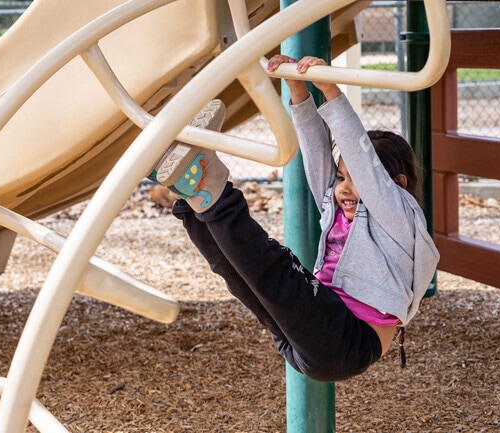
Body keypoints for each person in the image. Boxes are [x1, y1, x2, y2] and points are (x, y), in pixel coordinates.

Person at [148, 55, 439, 382]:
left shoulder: (398, 214)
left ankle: (208, 179)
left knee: (274, 269)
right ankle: (190, 190)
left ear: (397, 183)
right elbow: (317, 156)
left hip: (349, 340)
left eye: (354, 177)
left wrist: (332, 92)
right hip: (310, 340)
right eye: (341, 177)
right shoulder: (339, 205)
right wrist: (299, 91)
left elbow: (365, 164)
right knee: (238, 274)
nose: (343, 187)